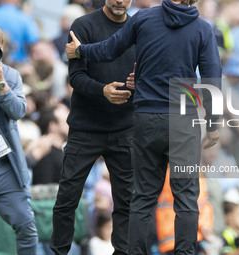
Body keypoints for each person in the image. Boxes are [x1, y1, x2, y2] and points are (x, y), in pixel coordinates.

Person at [66, 0, 222, 253]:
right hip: (183, 121)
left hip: (146, 118)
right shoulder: (203, 29)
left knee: (142, 198)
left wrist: (81, 51)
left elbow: (108, 50)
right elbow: (212, 77)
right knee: (186, 199)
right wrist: (213, 124)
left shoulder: (144, 19)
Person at [49, 0, 136, 254]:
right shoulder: (83, 25)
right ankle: (60, 251)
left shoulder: (138, 29)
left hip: (125, 128)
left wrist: (138, 82)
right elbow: (75, 77)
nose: (120, 0)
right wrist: (103, 91)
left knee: (126, 202)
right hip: (86, 128)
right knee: (67, 198)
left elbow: (150, 75)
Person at [0, 25, 38, 254]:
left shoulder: (11, 75)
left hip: (6, 165)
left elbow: (18, 112)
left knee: (26, 226)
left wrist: (1, 85)